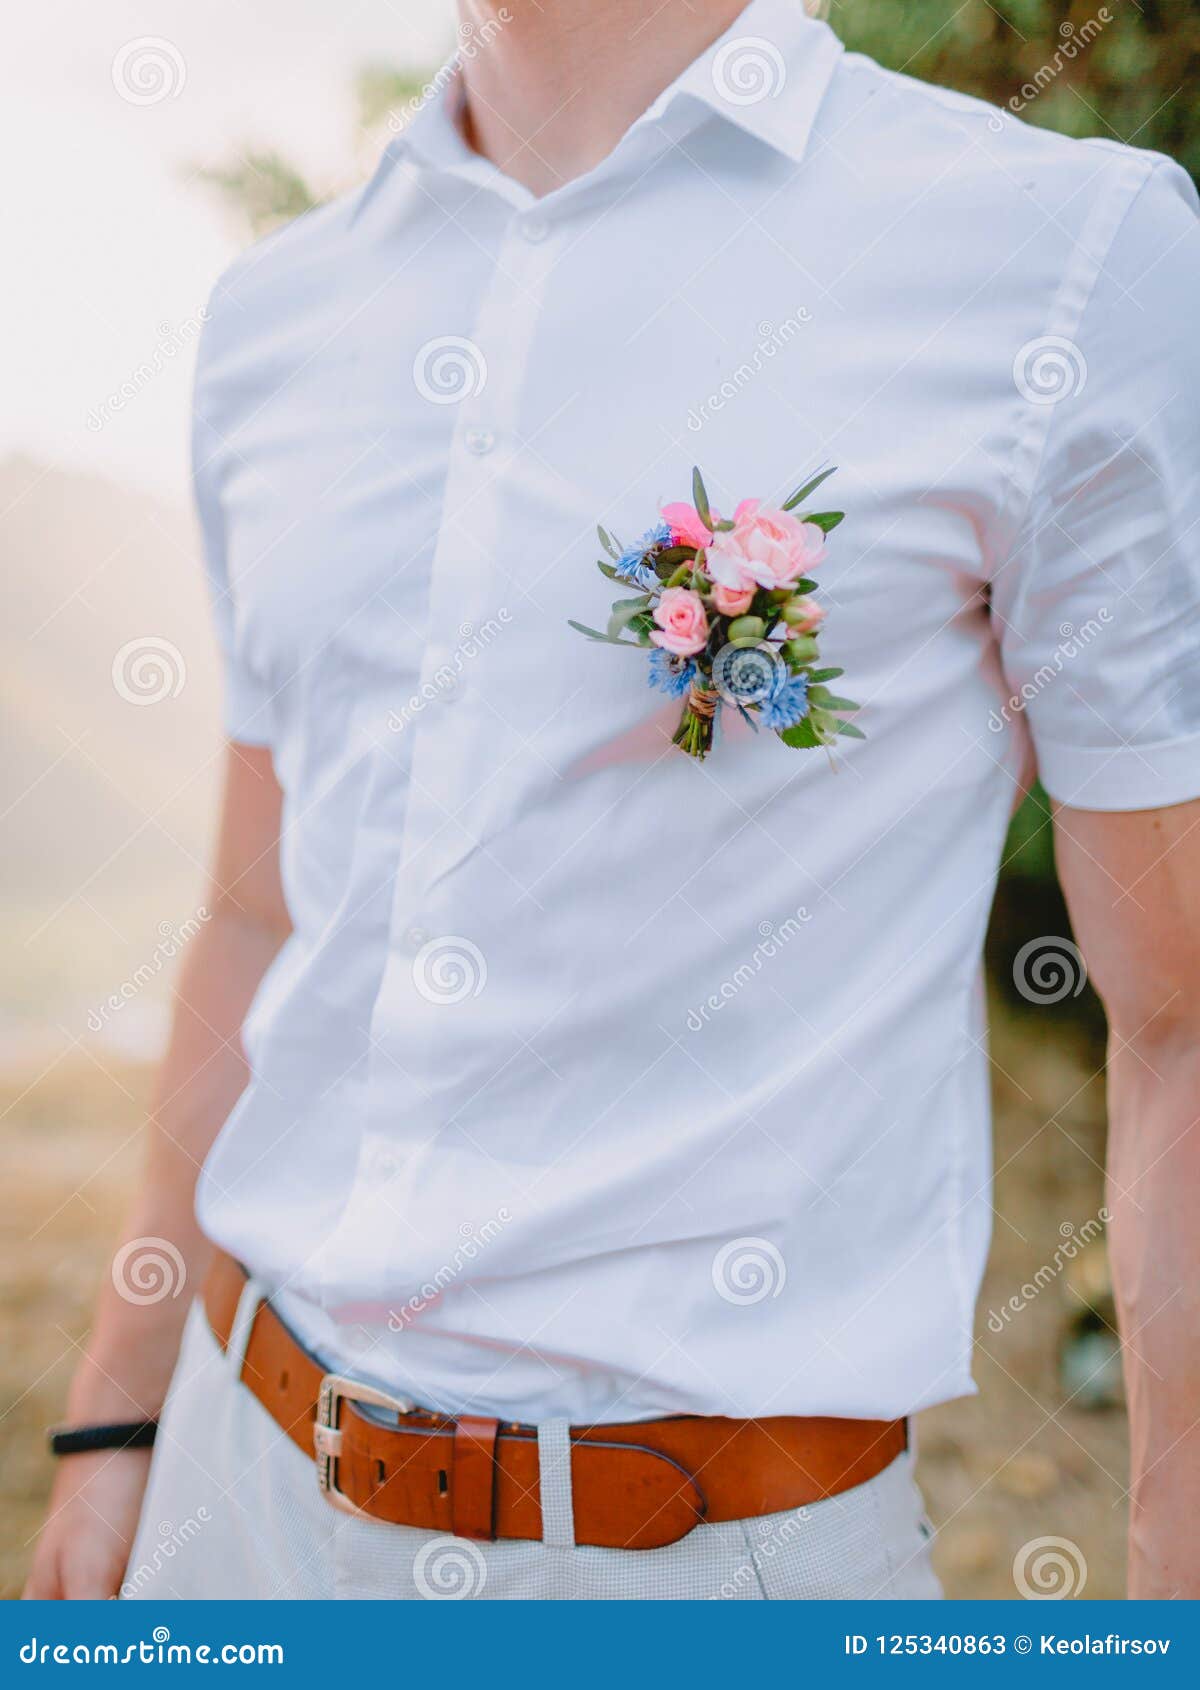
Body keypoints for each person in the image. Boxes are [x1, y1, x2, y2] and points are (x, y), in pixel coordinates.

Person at [26, 0, 1200, 1601]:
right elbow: (254, 914)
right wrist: (114, 1424)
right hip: (232, 1505)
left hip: (710, 1570)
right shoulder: (273, 317)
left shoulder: (1061, 260)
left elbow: (1179, 1015)